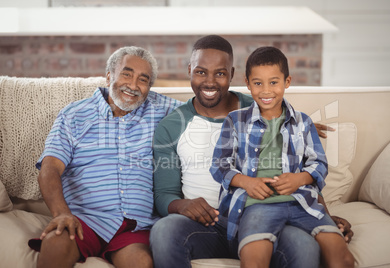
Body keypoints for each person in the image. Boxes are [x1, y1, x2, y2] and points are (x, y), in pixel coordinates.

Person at [150, 35, 353, 268]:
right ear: (189, 71)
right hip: (207, 223)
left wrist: (324, 216)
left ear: (232, 74)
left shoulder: (258, 106)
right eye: (200, 72)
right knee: (164, 230)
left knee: (303, 245)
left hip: (262, 213)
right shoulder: (172, 125)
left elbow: (295, 162)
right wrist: (182, 205)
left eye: (220, 73)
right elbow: (163, 194)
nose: (209, 81)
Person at [28, 46, 182, 268]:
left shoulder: (164, 109)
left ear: (150, 86)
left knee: (140, 262)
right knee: (55, 244)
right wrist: (61, 214)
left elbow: (204, 110)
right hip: (85, 220)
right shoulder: (74, 115)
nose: (133, 85)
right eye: (126, 74)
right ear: (109, 75)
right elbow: (50, 169)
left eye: (143, 79)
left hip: (136, 226)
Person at [209, 46, 355, 268]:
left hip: (301, 202)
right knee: (254, 259)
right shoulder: (235, 121)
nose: (266, 90)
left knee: (341, 258)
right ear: (247, 83)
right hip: (257, 205)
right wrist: (247, 182)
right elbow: (219, 165)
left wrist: (300, 178)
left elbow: (319, 163)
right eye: (258, 83)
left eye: (274, 82)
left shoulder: (303, 122)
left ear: (287, 82)